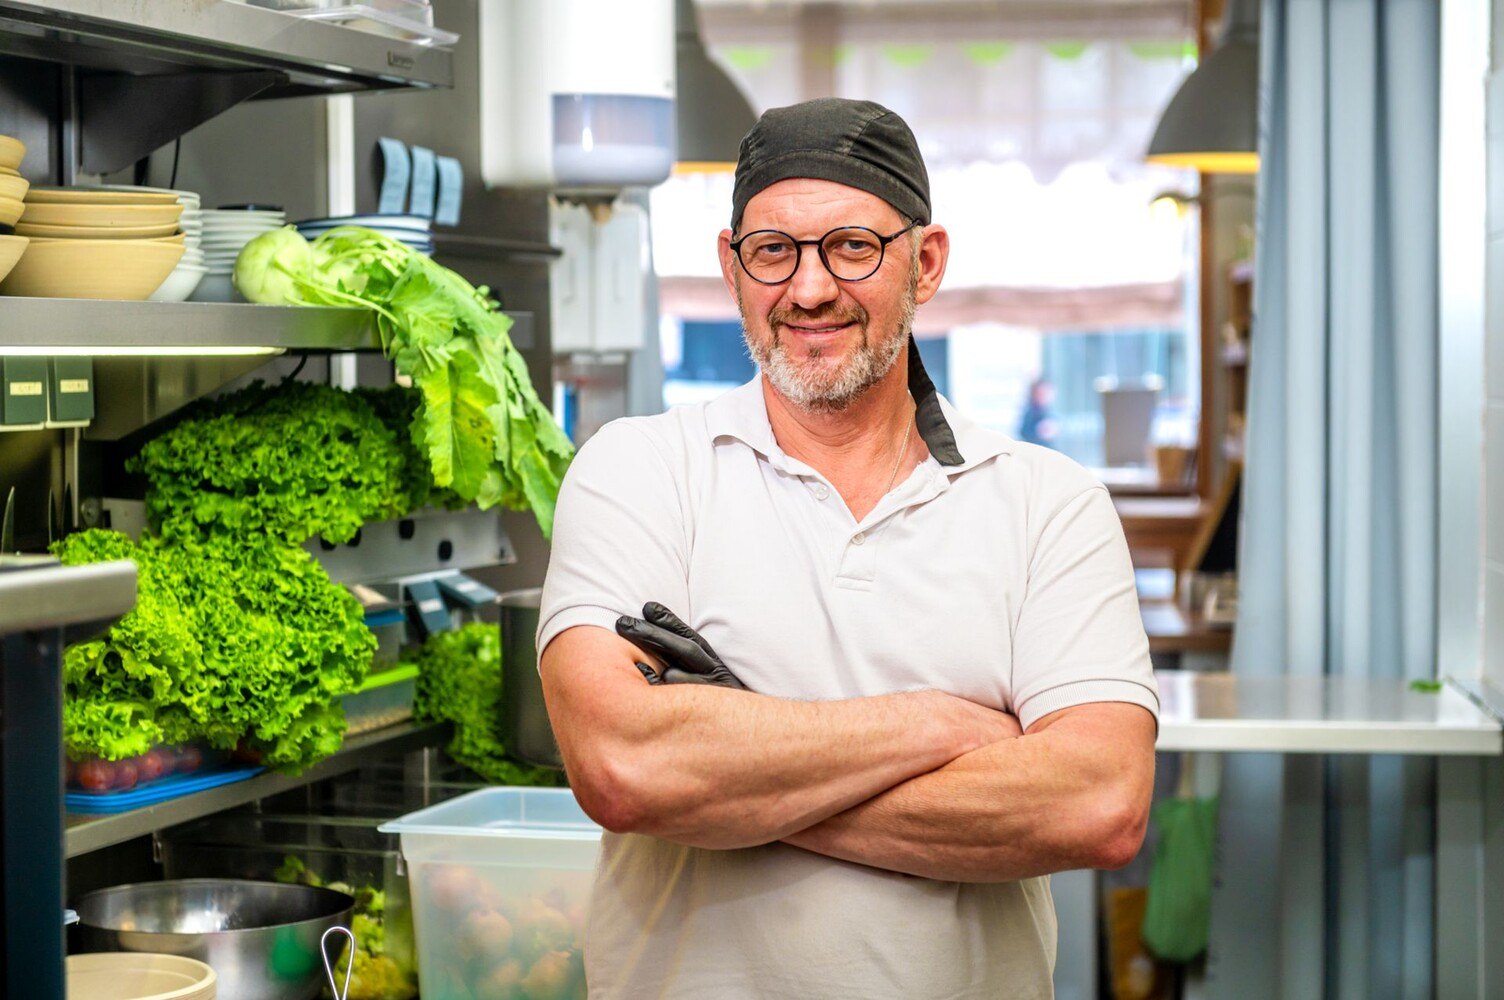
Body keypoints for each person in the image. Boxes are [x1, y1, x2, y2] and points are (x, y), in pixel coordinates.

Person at [537, 97, 1158, 999]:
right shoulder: (639, 470)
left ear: (925, 263)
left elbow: (1098, 804)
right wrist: (938, 724)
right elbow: (623, 767)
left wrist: (730, 781)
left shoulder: (1047, 503)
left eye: (853, 247)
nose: (809, 289)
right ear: (732, 266)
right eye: (773, 251)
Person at [1018, 376, 1059, 448]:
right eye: (1041, 394)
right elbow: (1024, 432)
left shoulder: (1049, 412)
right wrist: (1039, 431)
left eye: (1047, 394)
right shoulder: (1030, 413)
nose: (1044, 397)